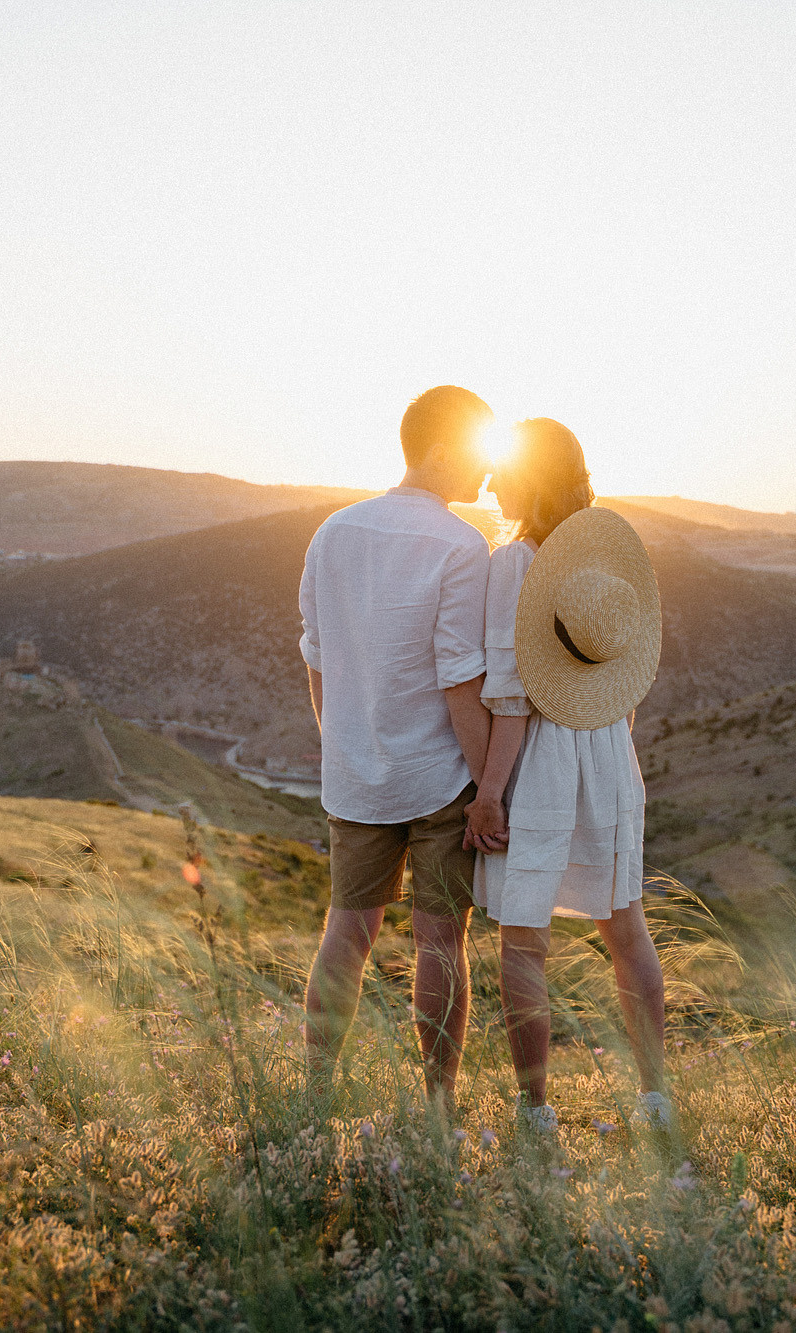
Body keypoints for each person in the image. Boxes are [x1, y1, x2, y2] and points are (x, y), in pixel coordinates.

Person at [465, 419, 672, 1134]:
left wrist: (490, 793)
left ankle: (536, 1111)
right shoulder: (603, 562)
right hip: (611, 749)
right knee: (629, 932)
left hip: (544, 758)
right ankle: (655, 1097)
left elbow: (513, 697)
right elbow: (625, 679)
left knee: (523, 942)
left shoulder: (515, 561)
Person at [299, 385, 495, 1111]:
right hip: (439, 778)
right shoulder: (460, 545)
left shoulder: (333, 533)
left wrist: (339, 746)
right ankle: (439, 1105)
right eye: (478, 448)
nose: (486, 468)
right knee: (441, 944)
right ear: (441, 450)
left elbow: (316, 658)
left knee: (345, 932)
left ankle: (315, 1094)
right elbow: (459, 681)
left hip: (356, 775)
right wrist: (487, 790)